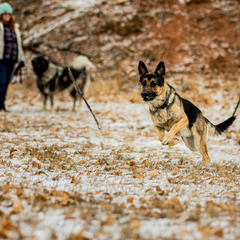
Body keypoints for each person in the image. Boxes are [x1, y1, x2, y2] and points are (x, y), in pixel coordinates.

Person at [0, 2, 25, 112]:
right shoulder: (0, 26)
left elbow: (18, 45)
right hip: (1, 59)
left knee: (6, 82)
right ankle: (0, 104)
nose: (7, 16)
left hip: (12, 59)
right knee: (1, 82)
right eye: (5, 14)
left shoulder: (14, 28)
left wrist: (21, 60)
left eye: (9, 14)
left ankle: (2, 103)